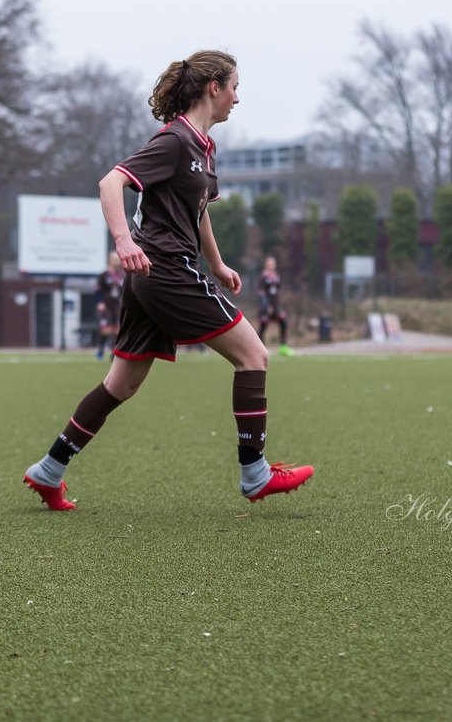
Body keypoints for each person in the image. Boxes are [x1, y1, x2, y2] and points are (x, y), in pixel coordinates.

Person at [22, 50, 315, 510]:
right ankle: (255, 474)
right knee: (254, 355)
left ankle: (49, 469)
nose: (238, 98)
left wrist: (217, 265)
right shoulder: (176, 141)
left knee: (121, 385)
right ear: (213, 87)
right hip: (165, 270)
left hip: (154, 275)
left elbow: (199, 216)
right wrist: (123, 241)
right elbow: (110, 183)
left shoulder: (203, 147)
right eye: (235, 86)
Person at [257, 255, 292, 356]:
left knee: (284, 323)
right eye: (269, 264)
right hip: (266, 307)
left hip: (276, 306)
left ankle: (283, 347)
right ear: (266, 265)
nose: (271, 266)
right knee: (263, 326)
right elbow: (261, 293)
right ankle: (260, 349)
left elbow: (277, 291)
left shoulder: (276, 276)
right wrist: (266, 305)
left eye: (273, 264)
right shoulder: (263, 277)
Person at [94, 252, 124, 360]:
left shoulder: (123, 274)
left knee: (117, 330)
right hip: (106, 305)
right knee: (106, 330)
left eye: (118, 259)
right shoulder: (104, 275)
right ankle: (101, 349)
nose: (116, 261)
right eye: (114, 259)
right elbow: (98, 290)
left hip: (117, 305)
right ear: (109, 260)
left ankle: (114, 353)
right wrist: (100, 302)